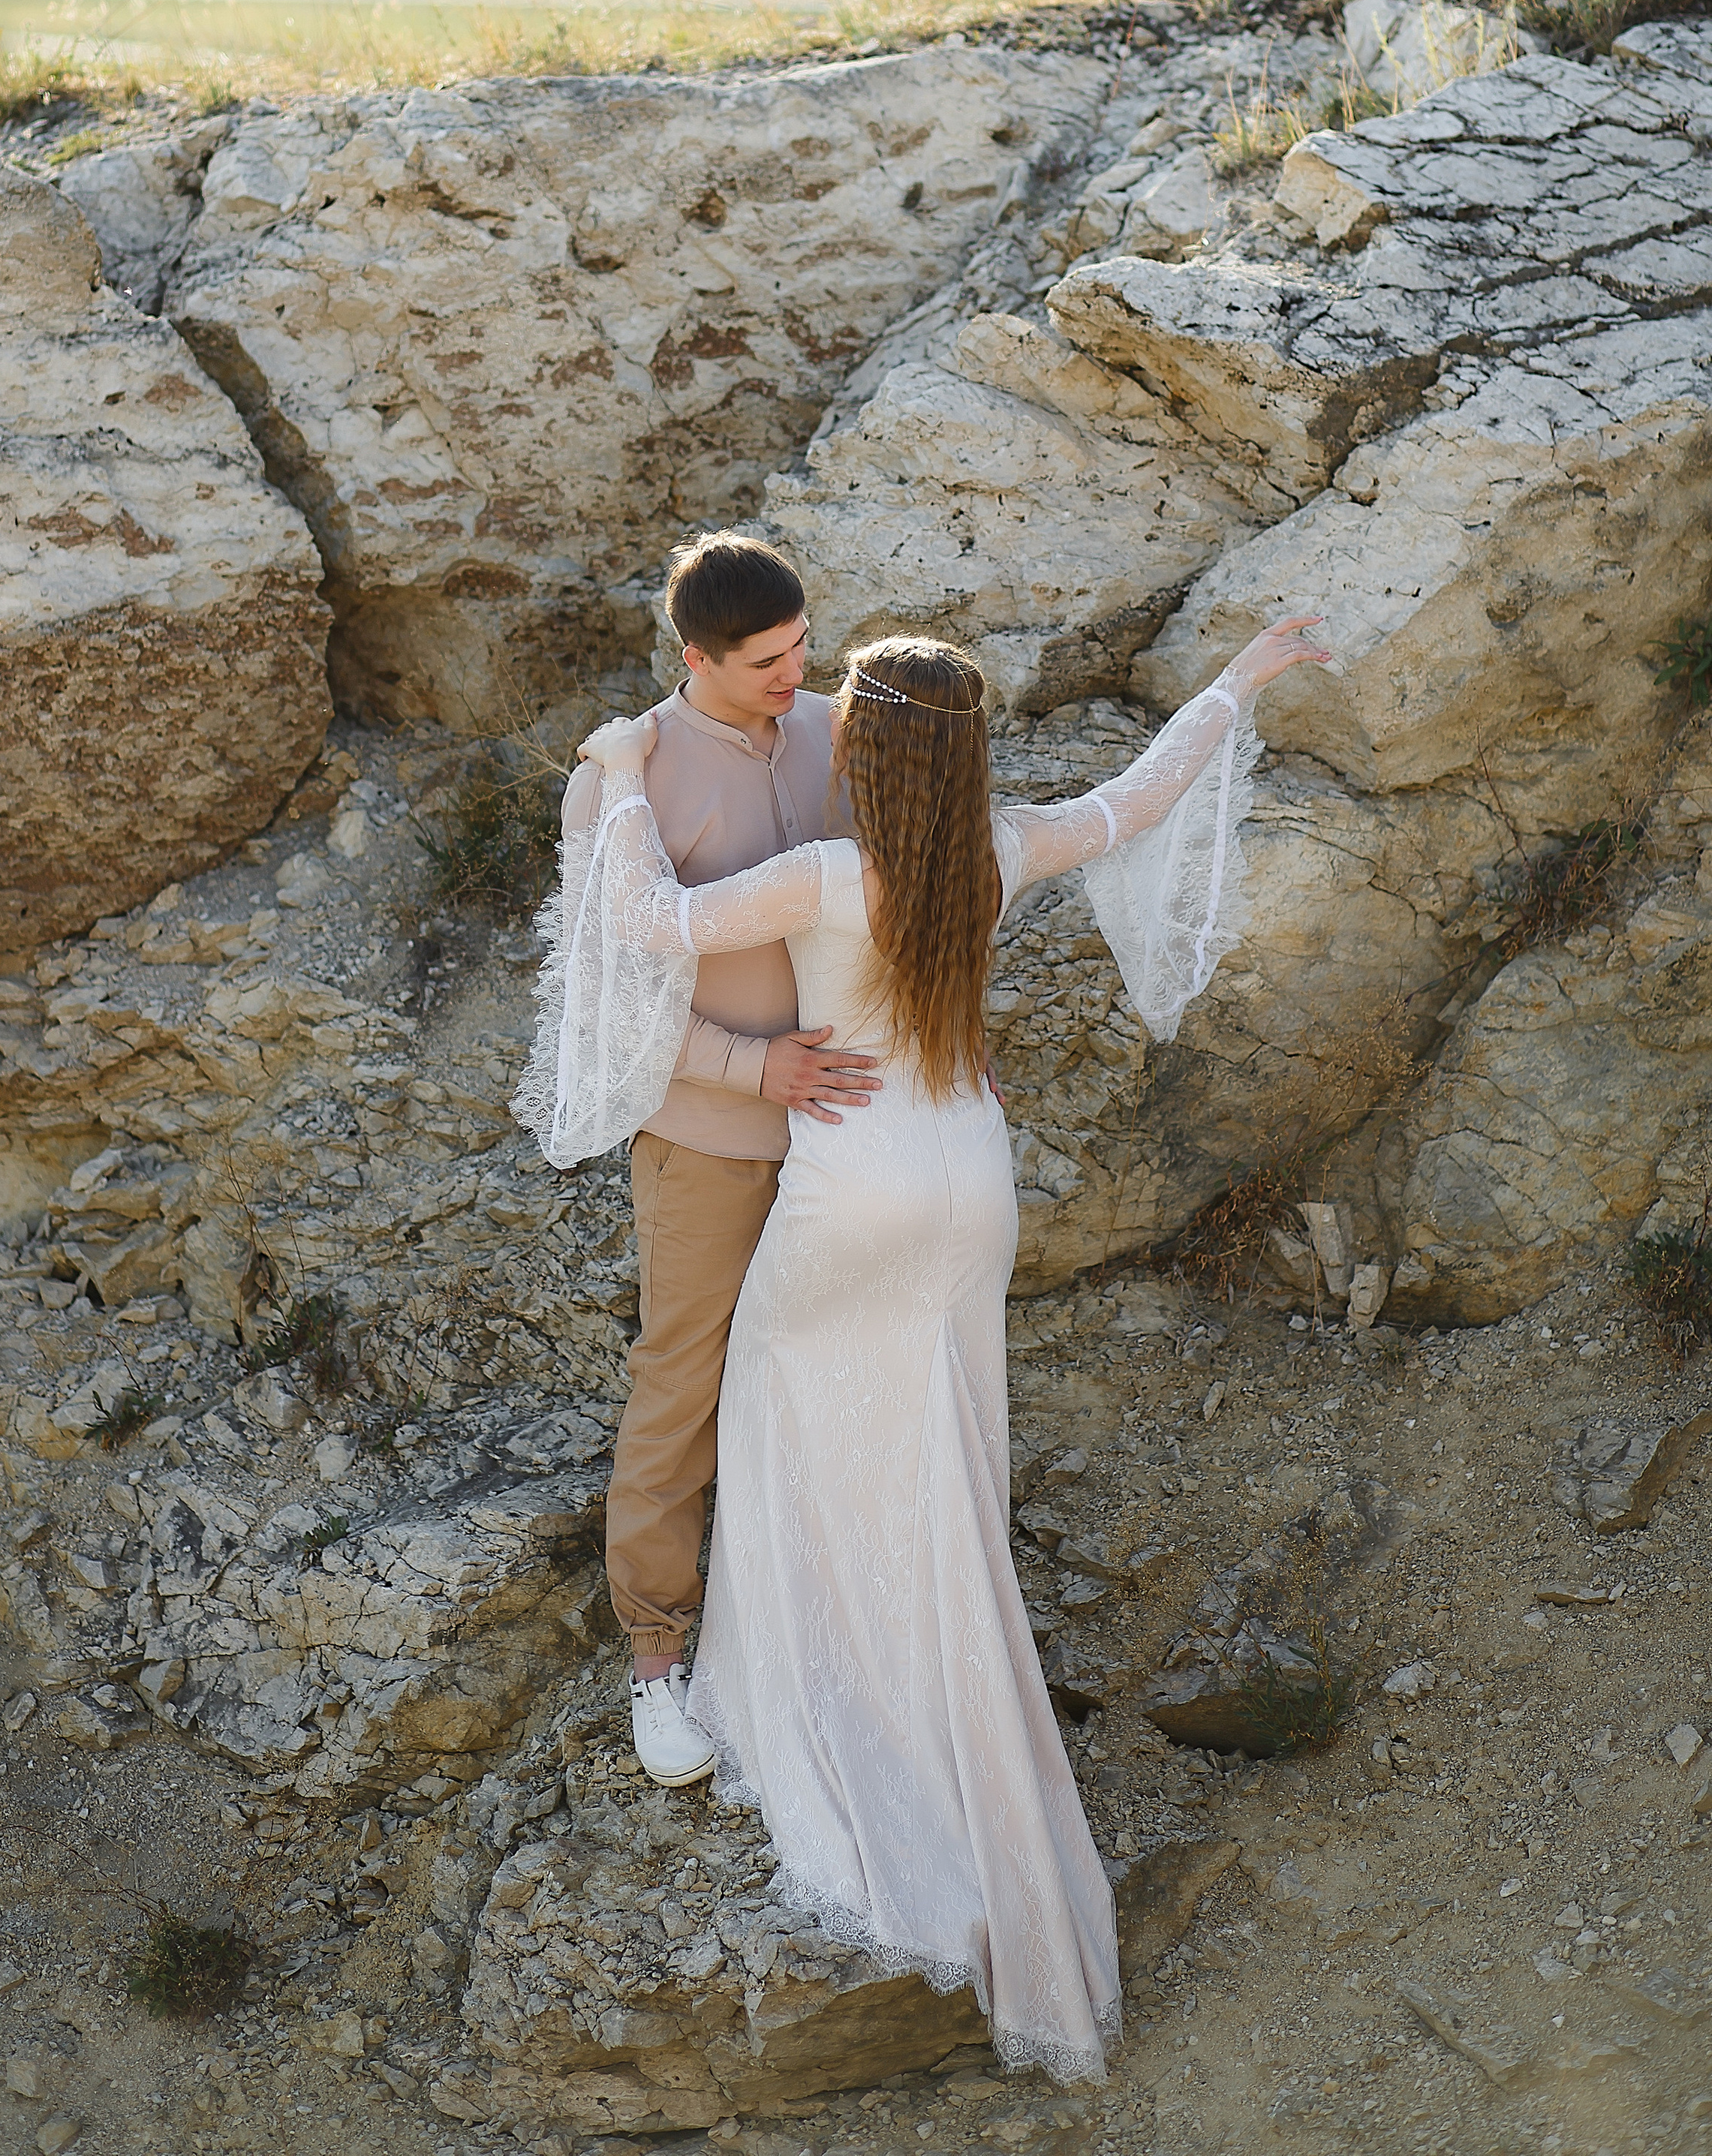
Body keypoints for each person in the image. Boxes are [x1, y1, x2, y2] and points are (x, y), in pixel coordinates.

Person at [540, 612, 1328, 2084]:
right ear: (965, 755)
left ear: (866, 749)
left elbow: (645, 919)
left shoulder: (831, 875)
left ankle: (804, 1687)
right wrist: (1241, 676)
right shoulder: (998, 852)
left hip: (858, 1184)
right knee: (940, 1456)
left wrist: (623, 771)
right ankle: (949, 1685)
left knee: (769, 1408)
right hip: (974, 1186)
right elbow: (1143, 796)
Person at [519, 532, 883, 1787]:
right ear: (696, 658)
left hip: (857, 1132)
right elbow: (607, 998)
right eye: (768, 660)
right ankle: (656, 1657)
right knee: (682, 1385)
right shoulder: (626, 781)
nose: (798, 675)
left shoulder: (841, 732)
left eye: (803, 647)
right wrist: (751, 1068)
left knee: (842, 1369)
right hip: (711, 1141)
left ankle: (834, 1630)